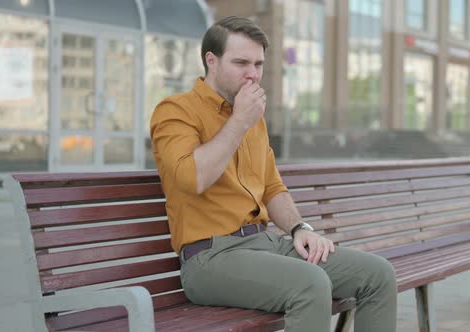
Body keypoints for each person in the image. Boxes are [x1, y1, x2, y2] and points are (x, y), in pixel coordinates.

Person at [150, 16, 397, 332]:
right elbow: (192, 178)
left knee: (378, 275)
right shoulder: (175, 111)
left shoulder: (253, 117)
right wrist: (239, 121)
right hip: (209, 259)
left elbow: (271, 187)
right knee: (310, 284)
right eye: (241, 63)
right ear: (211, 60)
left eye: (258, 64)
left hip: (264, 244)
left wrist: (299, 228)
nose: (253, 74)